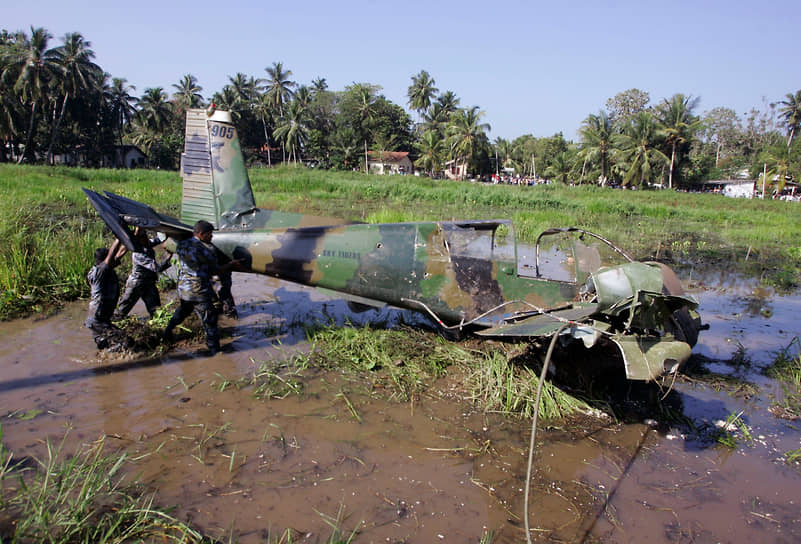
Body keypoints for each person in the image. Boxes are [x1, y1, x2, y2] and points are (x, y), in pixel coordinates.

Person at [162, 220, 240, 355]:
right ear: (201, 234)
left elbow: (168, 247)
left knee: (183, 311)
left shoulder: (182, 244)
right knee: (210, 321)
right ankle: (215, 351)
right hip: (199, 291)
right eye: (209, 234)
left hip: (183, 289)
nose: (212, 237)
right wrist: (231, 265)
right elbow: (215, 271)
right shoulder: (207, 249)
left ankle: (167, 332)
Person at [113, 226, 173, 320]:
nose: (146, 237)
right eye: (143, 236)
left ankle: (156, 326)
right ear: (139, 240)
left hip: (148, 283)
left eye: (145, 235)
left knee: (156, 311)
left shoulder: (147, 244)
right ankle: (112, 324)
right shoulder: (139, 253)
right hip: (137, 284)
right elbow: (157, 268)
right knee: (123, 309)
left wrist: (167, 234)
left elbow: (158, 240)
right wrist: (169, 255)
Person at [85, 238, 129, 350]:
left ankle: (102, 359)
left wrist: (129, 237)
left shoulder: (104, 269)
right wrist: (118, 238)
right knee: (126, 342)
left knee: (103, 345)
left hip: (99, 318)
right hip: (97, 319)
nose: (115, 261)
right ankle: (108, 361)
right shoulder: (100, 271)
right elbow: (112, 253)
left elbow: (119, 253)